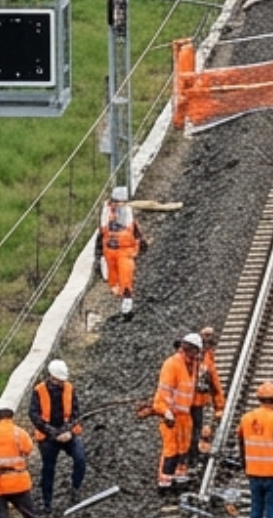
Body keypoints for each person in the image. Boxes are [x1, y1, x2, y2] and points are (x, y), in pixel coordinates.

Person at [28, 359, 86, 513]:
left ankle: (75, 488)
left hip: (67, 433)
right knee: (48, 469)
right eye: (59, 380)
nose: (61, 383)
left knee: (80, 458)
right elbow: (34, 415)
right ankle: (47, 503)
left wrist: (68, 430)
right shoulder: (39, 390)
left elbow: (76, 413)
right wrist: (53, 433)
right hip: (48, 436)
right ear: (52, 377)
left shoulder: (69, 388)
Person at [237, 382, 273, 518]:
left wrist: (245, 466)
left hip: (254, 473)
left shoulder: (246, 419)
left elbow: (242, 445)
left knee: (256, 509)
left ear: (258, 398)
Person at [155, 333, 202, 493]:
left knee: (183, 449)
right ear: (190, 349)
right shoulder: (172, 364)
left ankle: (178, 480)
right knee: (171, 450)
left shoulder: (192, 364)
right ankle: (164, 484)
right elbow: (163, 392)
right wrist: (166, 412)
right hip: (172, 415)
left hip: (184, 415)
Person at [93, 185, 147, 321]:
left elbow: (135, 232)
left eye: (122, 202)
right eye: (117, 202)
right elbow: (101, 235)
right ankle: (122, 302)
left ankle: (127, 308)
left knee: (126, 278)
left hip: (125, 252)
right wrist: (98, 255)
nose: (120, 205)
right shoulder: (107, 215)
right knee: (113, 280)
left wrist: (141, 244)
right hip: (110, 252)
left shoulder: (128, 217)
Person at [0, 405, 38, 518]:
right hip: (19, 482)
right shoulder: (20, 433)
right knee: (30, 514)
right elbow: (29, 449)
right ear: (12, 418)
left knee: (0, 514)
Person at [189, 327, 226, 469]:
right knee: (193, 432)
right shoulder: (187, 360)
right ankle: (192, 459)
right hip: (188, 404)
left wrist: (219, 407)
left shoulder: (207, 358)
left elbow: (214, 384)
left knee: (200, 430)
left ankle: (196, 459)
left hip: (199, 403)